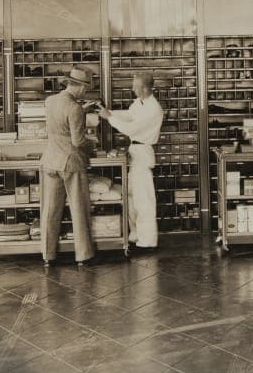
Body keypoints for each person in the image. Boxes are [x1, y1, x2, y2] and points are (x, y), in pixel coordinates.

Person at [98, 72, 164, 250]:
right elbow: (129, 114)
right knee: (132, 197)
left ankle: (148, 241)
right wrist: (110, 112)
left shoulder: (153, 109)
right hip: (135, 151)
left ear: (144, 88)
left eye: (135, 86)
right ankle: (136, 235)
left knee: (144, 200)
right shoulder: (140, 103)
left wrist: (109, 118)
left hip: (143, 152)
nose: (132, 88)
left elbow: (130, 128)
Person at [40, 65, 97, 267]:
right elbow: (78, 141)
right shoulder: (75, 109)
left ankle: (48, 255)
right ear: (81, 88)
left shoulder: (50, 101)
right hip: (71, 163)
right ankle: (83, 255)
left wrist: (82, 110)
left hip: (50, 161)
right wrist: (94, 144)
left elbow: (61, 119)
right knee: (79, 209)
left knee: (50, 210)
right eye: (86, 88)